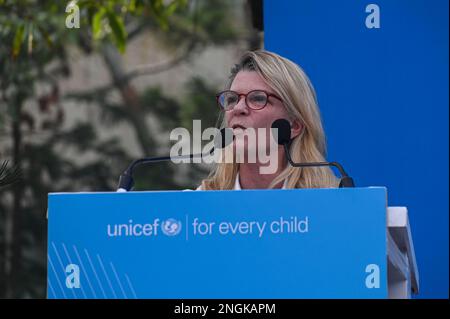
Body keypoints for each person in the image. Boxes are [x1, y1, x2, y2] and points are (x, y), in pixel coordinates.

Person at [197, 50, 338, 190]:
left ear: (294, 126)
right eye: (232, 99)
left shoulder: (331, 204)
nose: (238, 108)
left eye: (258, 98)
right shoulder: (196, 203)